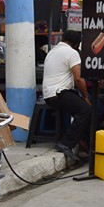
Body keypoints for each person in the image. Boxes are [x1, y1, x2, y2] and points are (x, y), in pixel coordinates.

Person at [42, 30, 92, 163]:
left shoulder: (53, 51)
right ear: (76, 44)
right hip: (58, 93)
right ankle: (67, 143)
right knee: (86, 110)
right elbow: (78, 78)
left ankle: (80, 141)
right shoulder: (72, 53)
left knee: (79, 107)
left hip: (49, 93)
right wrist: (86, 97)